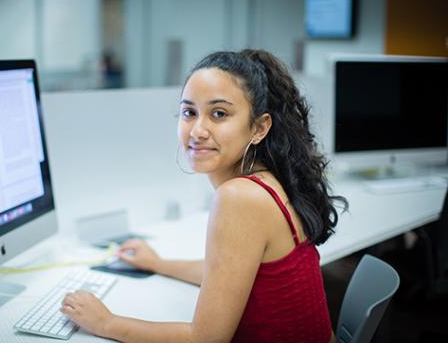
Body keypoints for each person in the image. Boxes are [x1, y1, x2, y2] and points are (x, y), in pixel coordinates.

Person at [60, 49, 347, 342]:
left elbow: (206, 340)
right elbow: (229, 276)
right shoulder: (267, 181)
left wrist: (105, 323)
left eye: (219, 114)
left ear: (259, 128)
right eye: (189, 112)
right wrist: (158, 264)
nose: (197, 130)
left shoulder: (240, 197)